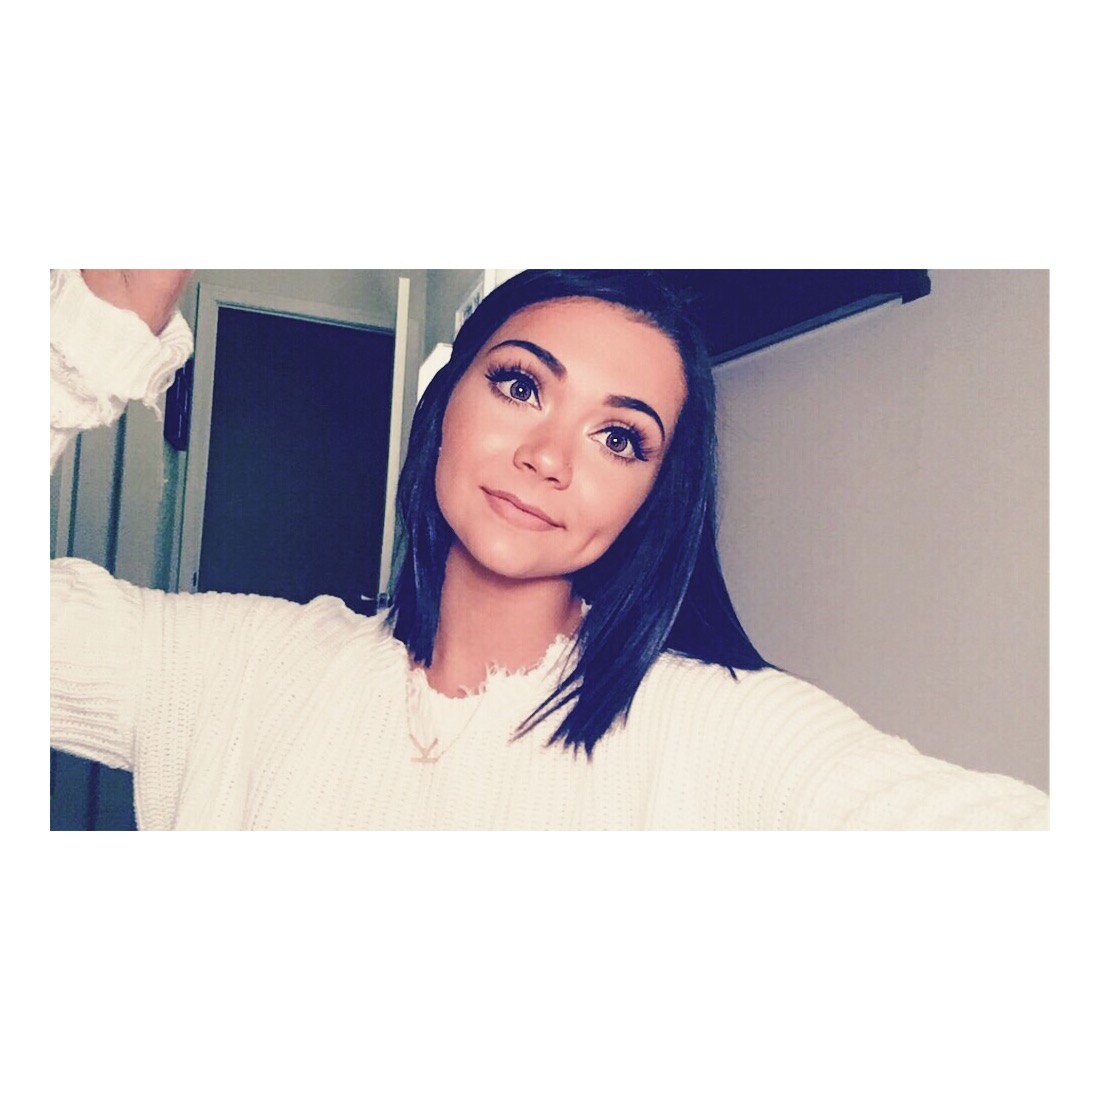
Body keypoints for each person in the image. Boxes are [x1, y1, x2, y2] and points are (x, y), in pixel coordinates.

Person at [50, 268, 1049, 829]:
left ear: (653, 494)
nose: (546, 457)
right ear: (445, 401)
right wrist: (85, 342)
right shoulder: (231, 670)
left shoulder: (722, 732)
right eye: (521, 385)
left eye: (619, 437)